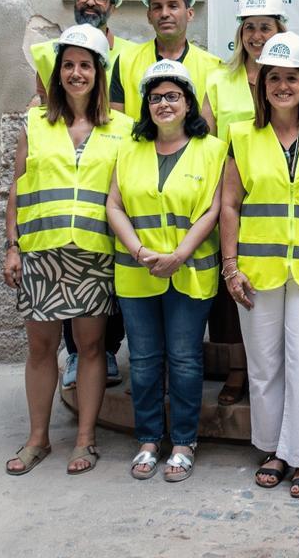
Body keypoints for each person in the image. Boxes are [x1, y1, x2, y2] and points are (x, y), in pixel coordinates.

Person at [221, 32, 299, 498]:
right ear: (263, 84)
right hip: (257, 269)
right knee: (265, 363)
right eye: (274, 77)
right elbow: (230, 205)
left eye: (291, 77)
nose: (282, 86)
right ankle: (274, 448)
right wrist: (230, 266)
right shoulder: (241, 134)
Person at [3, 24, 133, 476]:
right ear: (57, 73)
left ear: (99, 73)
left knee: (92, 347)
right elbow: (17, 190)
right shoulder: (36, 123)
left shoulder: (124, 128)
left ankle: (85, 439)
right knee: (41, 348)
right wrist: (12, 246)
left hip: (94, 252)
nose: (76, 74)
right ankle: (37, 438)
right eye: (68, 66)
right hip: (42, 251)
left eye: (85, 66)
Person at [106, 60, 227, 482]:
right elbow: (114, 205)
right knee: (142, 361)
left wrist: (179, 254)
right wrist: (140, 251)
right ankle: (148, 440)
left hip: (190, 270)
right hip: (137, 271)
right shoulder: (129, 146)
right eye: (155, 97)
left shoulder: (213, 149)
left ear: (189, 102)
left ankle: (183, 442)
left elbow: (214, 209)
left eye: (172, 95)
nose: (163, 104)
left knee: (185, 359)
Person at [31, 0, 133, 391]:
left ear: (114, 4)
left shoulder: (131, 54)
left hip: (116, 171)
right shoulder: (47, 53)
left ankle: (105, 351)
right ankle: (79, 358)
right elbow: (46, 114)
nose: (91, 2)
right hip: (67, 186)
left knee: (113, 285)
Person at [200, 0, 290, 406]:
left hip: (277, 202)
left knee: (281, 289)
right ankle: (239, 371)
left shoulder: (290, 79)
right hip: (233, 202)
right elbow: (203, 143)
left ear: (279, 30)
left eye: (265, 27)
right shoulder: (219, 80)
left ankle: (276, 374)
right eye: (250, 27)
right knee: (236, 288)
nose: (257, 36)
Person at [110, 0, 221, 116]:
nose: (164, 14)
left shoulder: (214, 67)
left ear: (190, 14)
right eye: (157, 7)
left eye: (173, 6)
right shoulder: (126, 61)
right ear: (149, 16)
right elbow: (117, 125)